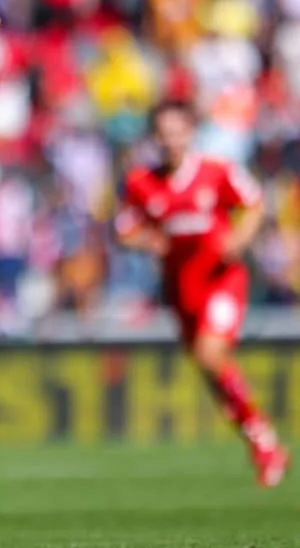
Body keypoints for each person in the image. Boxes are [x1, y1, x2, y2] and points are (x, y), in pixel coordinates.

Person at [116, 99, 288, 487]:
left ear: (190, 132)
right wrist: (147, 241)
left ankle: (263, 439)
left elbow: (255, 203)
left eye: (177, 132)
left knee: (211, 355)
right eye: (163, 134)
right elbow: (125, 230)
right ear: (154, 138)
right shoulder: (142, 182)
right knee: (209, 368)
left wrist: (239, 238)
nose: (171, 141)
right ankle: (258, 438)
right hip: (181, 288)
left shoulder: (216, 172)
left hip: (222, 280)